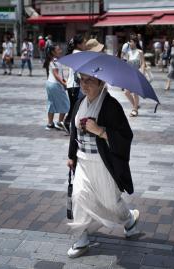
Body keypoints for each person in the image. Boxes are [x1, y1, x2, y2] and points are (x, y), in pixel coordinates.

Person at [66, 72, 139, 259]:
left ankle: (129, 219)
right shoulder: (79, 103)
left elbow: (125, 137)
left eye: (89, 80)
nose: (84, 84)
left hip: (103, 163)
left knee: (110, 203)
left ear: (101, 83)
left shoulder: (111, 106)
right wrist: (71, 156)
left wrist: (99, 131)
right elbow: (73, 131)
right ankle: (81, 240)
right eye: (81, 80)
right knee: (79, 195)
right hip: (83, 161)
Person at [64, 35, 87, 133]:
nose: (85, 44)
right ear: (78, 44)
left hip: (72, 85)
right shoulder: (78, 53)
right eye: (84, 42)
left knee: (74, 107)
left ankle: (69, 123)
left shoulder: (75, 53)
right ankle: (68, 123)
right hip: (75, 86)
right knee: (75, 107)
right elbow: (77, 71)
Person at [44, 44, 69, 130]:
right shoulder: (55, 61)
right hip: (55, 84)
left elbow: (57, 74)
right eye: (58, 50)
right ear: (53, 52)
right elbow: (56, 75)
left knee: (52, 103)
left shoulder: (52, 60)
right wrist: (64, 83)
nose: (60, 51)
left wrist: (63, 81)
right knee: (65, 104)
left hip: (49, 84)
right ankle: (59, 123)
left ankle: (50, 123)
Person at [124, 37, 145, 117]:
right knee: (126, 92)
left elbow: (143, 63)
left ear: (135, 42)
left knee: (135, 93)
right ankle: (135, 106)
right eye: (129, 42)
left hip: (137, 73)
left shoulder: (140, 52)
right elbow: (127, 64)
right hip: (130, 74)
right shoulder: (128, 53)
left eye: (131, 41)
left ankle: (135, 109)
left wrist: (142, 72)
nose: (129, 43)